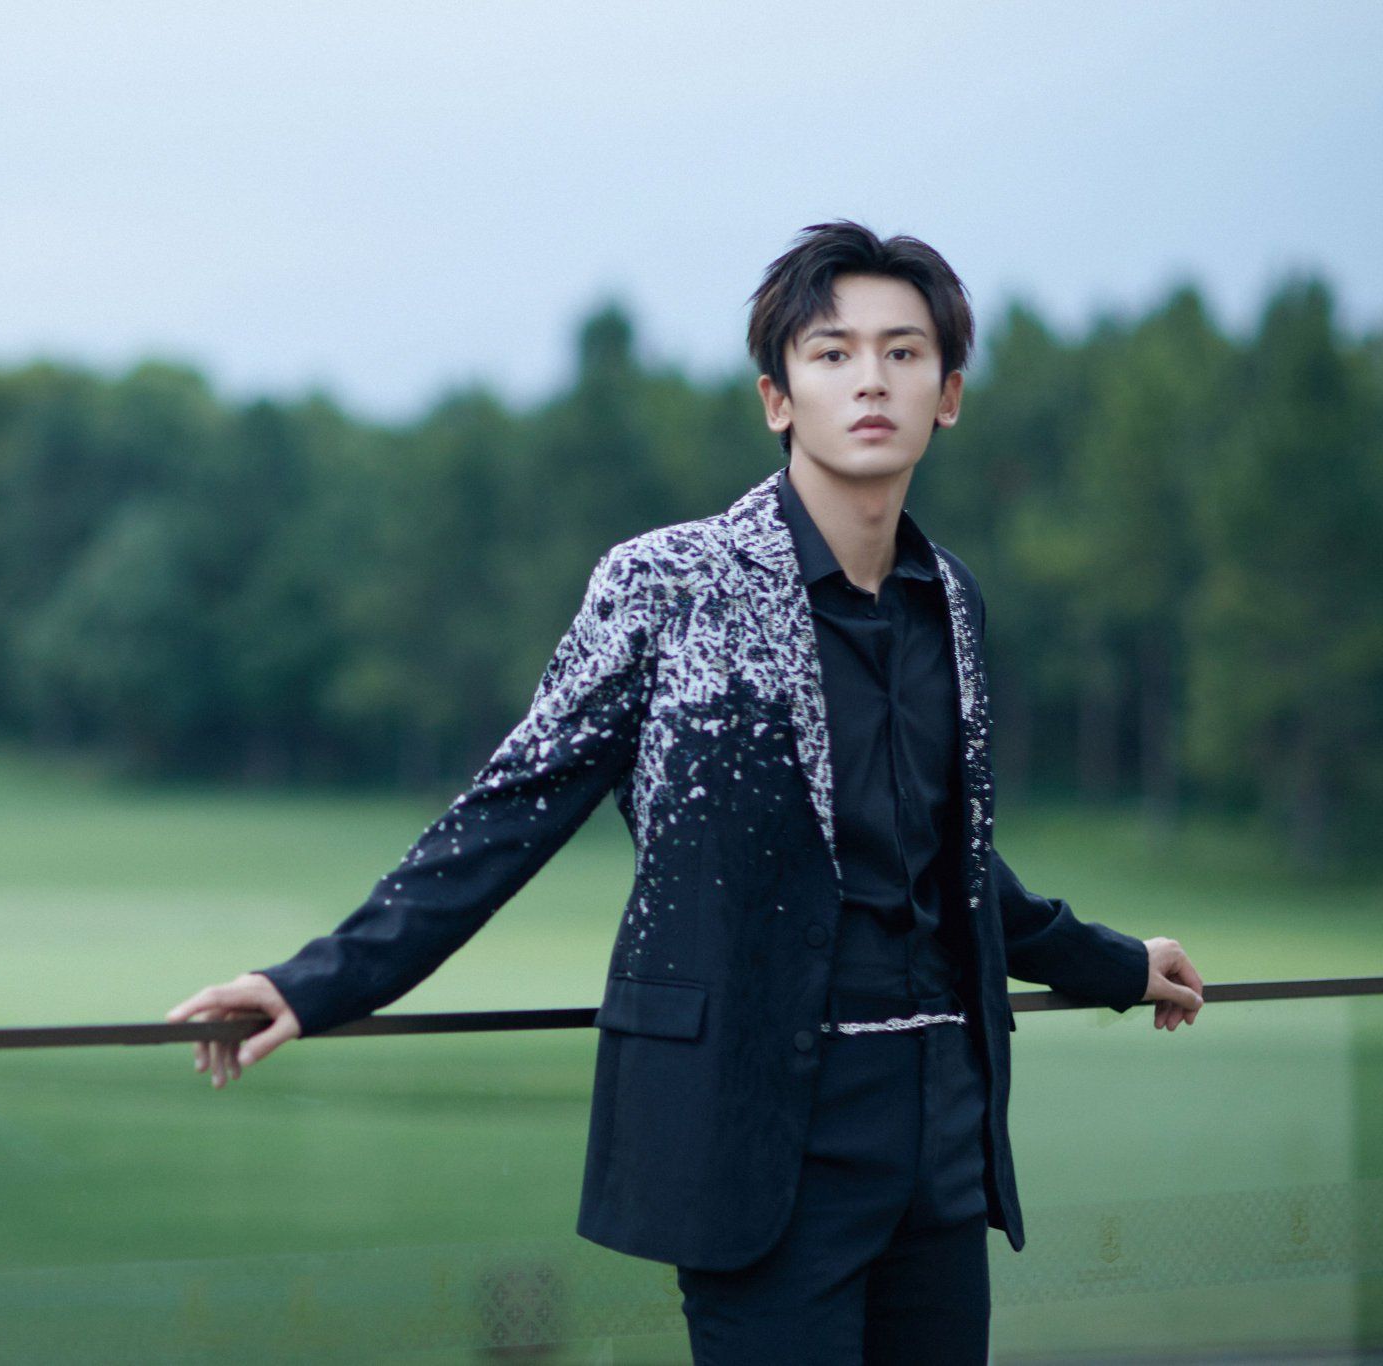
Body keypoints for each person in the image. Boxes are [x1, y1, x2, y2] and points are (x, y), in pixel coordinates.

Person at [166, 219, 1206, 1364]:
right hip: (757, 1137)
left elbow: (943, 856)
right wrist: (315, 980)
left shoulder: (946, 598)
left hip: (938, 1139)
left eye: (902, 352)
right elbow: (511, 808)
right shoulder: (667, 581)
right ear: (776, 397)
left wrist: (1108, 963)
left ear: (946, 394)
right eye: (831, 352)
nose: (869, 379)